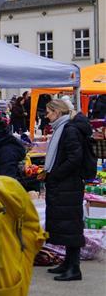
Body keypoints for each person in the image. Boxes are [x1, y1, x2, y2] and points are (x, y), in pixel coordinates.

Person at [43, 98, 89, 282]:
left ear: (57, 112)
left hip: (68, 184)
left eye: (48, 112)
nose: (46, 116)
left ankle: (74, 268)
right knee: (67, 225)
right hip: (65, 184)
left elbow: (74, 158)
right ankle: (68, 263)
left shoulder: (68, 130)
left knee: (71, 225)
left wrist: (55, 174)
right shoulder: (63, 128)